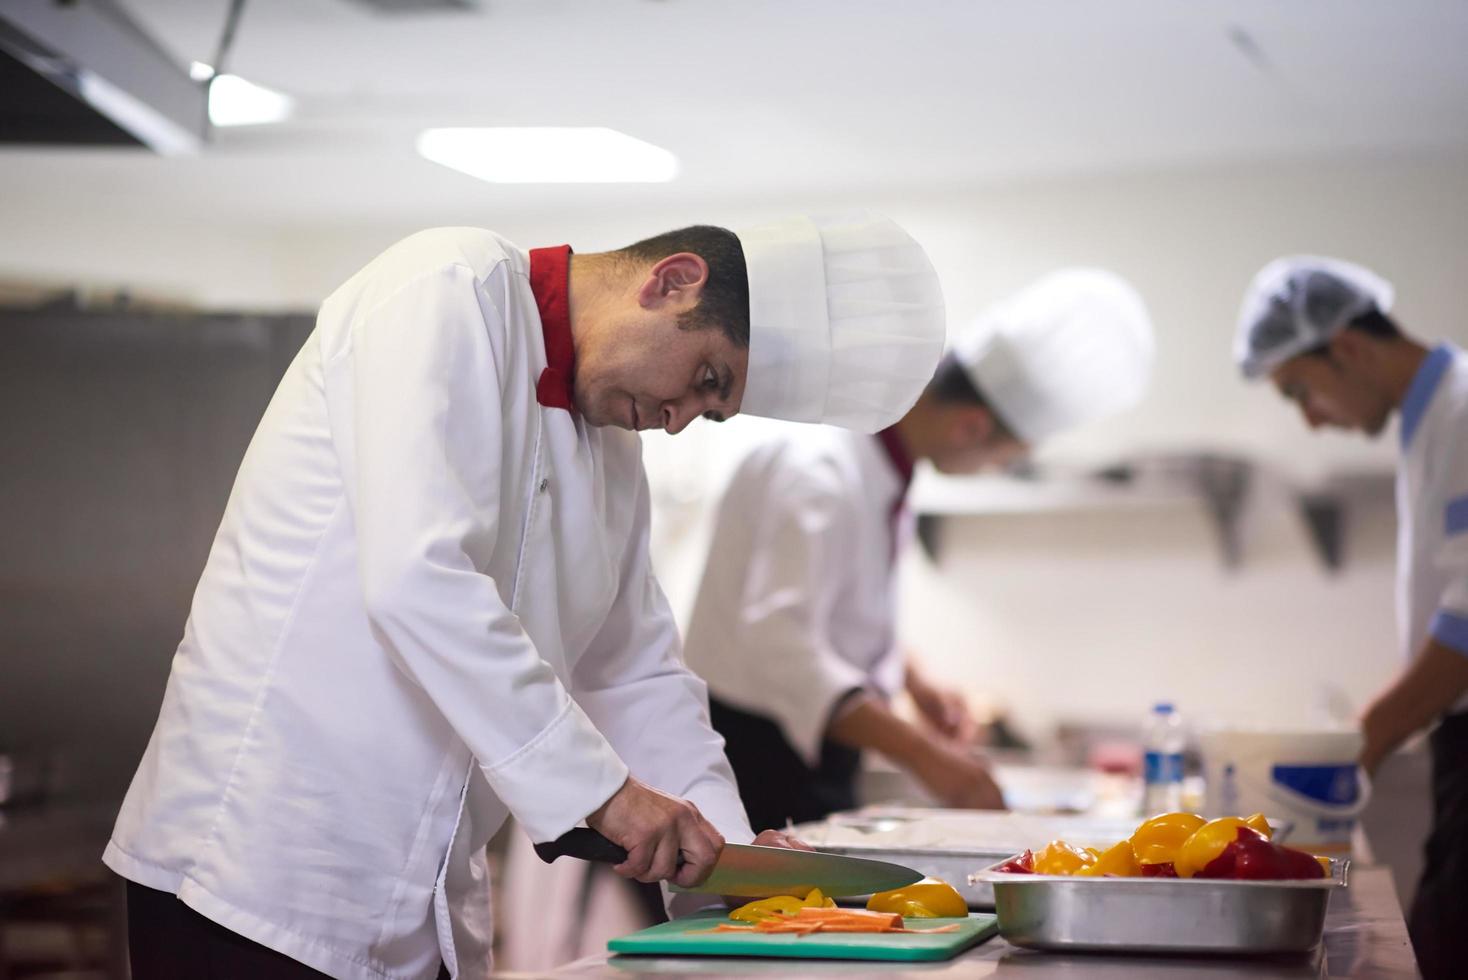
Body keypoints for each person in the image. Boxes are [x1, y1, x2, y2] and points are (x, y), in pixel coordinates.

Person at [103, 213, 947, 979]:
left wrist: (731, 864)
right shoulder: (443, 287)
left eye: (711, 409)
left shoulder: (615, 456)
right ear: (672, 280)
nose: (682, 417)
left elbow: (635, 674)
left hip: (418, 911)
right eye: (703, 377)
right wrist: (609, 797)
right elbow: (416, 579)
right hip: (250, 877)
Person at [683, 268, 1154, 832]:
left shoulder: (880, 465)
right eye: (1006, 458)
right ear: (971, 427)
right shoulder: (819, 469)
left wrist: (911, 677)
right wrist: (927, 758)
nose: (994, 470)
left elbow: (828, 603)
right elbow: (780, 644)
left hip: (807, 752)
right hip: (752, 759)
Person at [1234, 255, 1468, 979]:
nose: (1308, 417)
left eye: (1301, 390)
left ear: (1349, 347)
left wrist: (1357, 748)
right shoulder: (1433, 423)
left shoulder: (1463, 413)